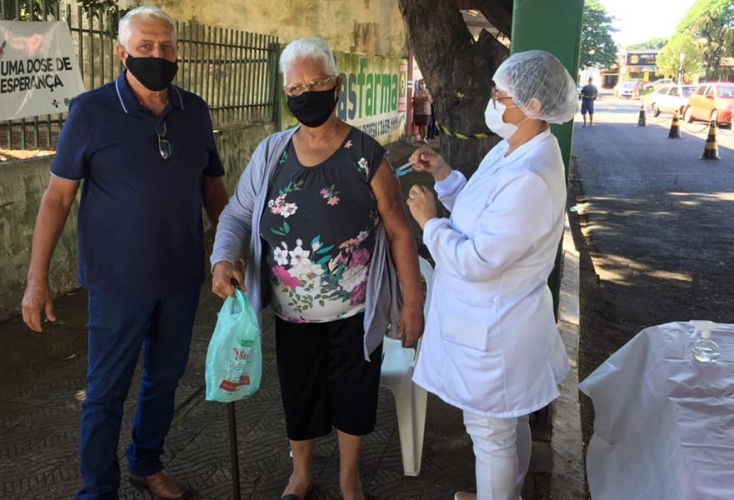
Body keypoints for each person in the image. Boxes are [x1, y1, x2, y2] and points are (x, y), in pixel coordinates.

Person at [20, 6, 229, 500]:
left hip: (181, 277)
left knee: (165, 380)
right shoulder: (90, 112)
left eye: (166, 47)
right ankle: (98, 489)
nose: (158, 55)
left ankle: (146, 462)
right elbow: (57, 198)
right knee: (105, 392)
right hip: (116, 284)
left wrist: (230, 249)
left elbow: (213, 189)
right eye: (145, 47)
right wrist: (36, 278)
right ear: (122, 52)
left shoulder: (194, 111)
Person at [210, 37, 424, 500]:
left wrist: (413, 304)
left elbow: (400, 233)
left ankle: (350, 477)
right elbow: (237, 214)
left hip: (357, 311)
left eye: (317, 83)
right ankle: (301, 473)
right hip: (292, 315)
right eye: (296, 87)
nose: (306, 93)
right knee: (299, 392)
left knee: (354, 394)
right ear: (286, 93)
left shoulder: (367, 155)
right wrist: (222, 258)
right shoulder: (272, 153)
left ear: (337, 86)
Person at [405, 50, 575, 500]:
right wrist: (444, 174)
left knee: (491, 431)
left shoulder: (532, 176)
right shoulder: (513, 149)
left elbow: (479, 258)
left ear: (534, 106)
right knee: (506, 419)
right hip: (489, 321)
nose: (493, 104)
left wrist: (429, 223)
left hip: (496, 330)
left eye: (501, 97)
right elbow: (483, 214)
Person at [413, 78, 433, 143]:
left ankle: (424, 137)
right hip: (418, 111)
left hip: (426, 111)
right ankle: (421, 137)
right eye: (421, 84)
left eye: (423, 83)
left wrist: (428, 100)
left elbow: (431, 100)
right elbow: (416, 101)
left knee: (425, 124)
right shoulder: (417, 92)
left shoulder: (428, 91)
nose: (422, 85)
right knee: (420, 124)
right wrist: (423, 99)